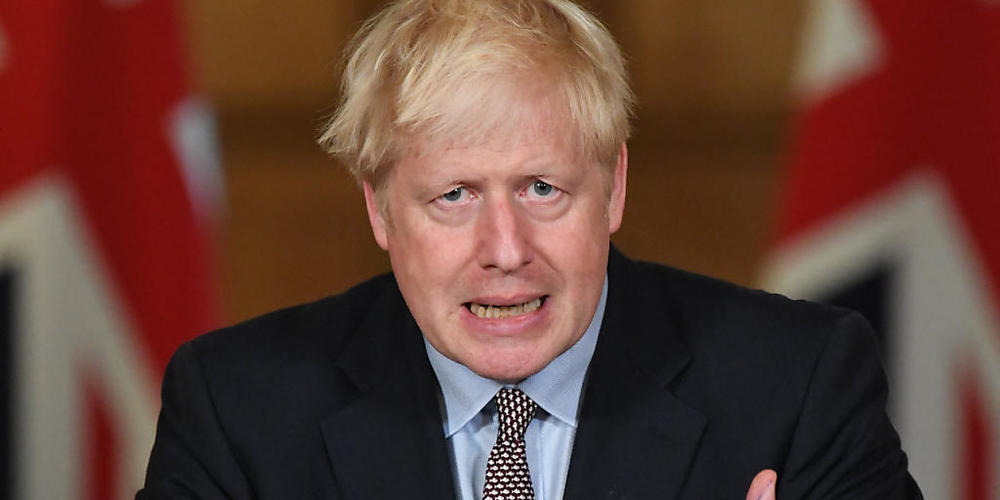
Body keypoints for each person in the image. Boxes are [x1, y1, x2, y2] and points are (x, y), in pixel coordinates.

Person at [138, 0, 922, 498]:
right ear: (379, 209)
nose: (505, 250)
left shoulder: (799, 386)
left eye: (543, 188)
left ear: (613, 188)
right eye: (455, 196)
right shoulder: (237, 411)